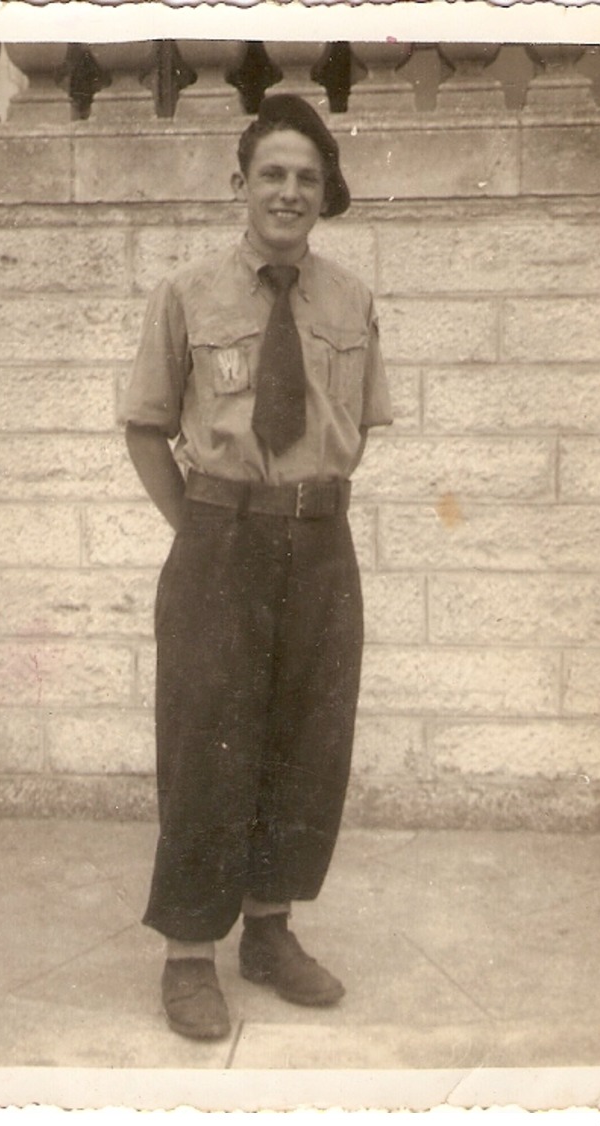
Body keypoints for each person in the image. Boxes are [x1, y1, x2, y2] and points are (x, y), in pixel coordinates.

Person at [121, 94, 392, 1040]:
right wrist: (202, 525)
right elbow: (146, 427)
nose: (288, 191)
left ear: (325, 194)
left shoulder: (351, 299)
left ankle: (269, 932)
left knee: (307, 741)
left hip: (320, 543)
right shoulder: (187, 294)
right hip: (219, 541)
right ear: (239, 185)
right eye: (271, 173)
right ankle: (189, 952)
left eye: (306, 177)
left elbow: (356, 426)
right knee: (208, 741)